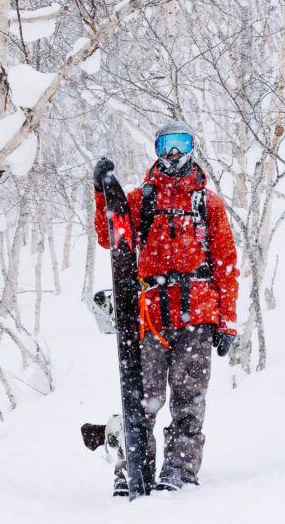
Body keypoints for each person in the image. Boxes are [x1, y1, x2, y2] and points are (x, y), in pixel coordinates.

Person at [93, 120, 239, 495]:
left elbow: (226, 264)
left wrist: (227, 323)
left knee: (189, 401)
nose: (173, 154)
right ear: (156, 150)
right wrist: (101, 193)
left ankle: (180, 471)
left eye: (181, 144)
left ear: (192, 148)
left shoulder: (209, 204)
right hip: (151, 317)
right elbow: (113, 237)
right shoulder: (143, 200)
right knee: (141, 399)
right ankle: (130, 471)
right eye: (166, 146)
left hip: (199, 318)